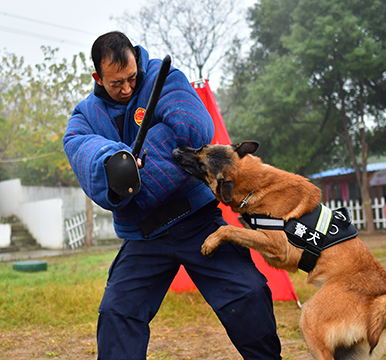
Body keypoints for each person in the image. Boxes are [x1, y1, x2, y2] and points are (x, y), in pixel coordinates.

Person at [63, 31, 282, 360]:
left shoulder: (163, 79)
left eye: (131, 78)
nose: (126, 88)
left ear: (137, 62)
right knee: (117, 313)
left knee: (248, 294)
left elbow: (193, 130)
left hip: (198, 220)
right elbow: (84, 152)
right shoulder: (85, 118)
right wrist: (116, 163)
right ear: (98, 77)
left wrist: (138, 170)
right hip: (144, 235)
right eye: (115, 83)